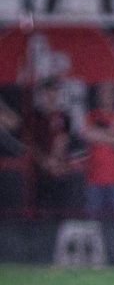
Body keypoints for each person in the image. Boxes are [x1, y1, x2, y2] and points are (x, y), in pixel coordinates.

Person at [81, 82, 114, 219]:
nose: (107, 96)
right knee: (93, 223)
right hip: (94, 179)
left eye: (110, 92)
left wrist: (100, 135)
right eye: (104, 92)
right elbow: (87, 134)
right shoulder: (92, 116)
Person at [30, 79, 73, 213]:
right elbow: (31, 143)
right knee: (40, 210)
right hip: (40, 170)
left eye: (54, 92)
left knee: (60, 208)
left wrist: (55, 161)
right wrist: (44, 161)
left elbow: (63, 139)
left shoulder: (64, 116)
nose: (51, 95)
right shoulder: (35, 116)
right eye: (48, 92)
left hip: (59, 170)